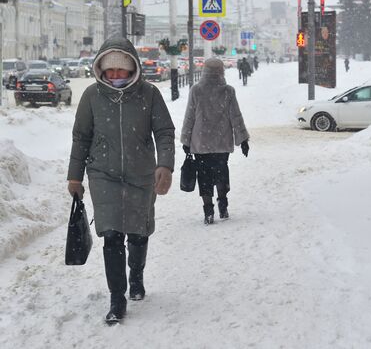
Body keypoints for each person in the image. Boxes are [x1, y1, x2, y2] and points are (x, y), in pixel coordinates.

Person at [67, 37, 175, 325]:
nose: (115, 75)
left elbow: (164, 131)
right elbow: (81, 137)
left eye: (121, 70)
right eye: (110, 70)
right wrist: (74, 176)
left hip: (141, 174)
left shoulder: (149, 94)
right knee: (112, 234)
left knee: (139, 232)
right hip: (103, 174)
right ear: (101, 69)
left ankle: (136, 275)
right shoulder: (92, 96)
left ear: (132, 69)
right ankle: (117, 297)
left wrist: (165, 165)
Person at [180, 58, 249, 225]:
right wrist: (243, 139)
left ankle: (208, 210)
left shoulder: (196, 90)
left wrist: (186, 140)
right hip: (221, 141)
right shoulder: (228, 91)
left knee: (204, 176)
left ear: (204, 71)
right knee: (221, 172)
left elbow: (189, 117)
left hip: (201, 142)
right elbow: (236, 116)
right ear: (221, 72)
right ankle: (223, 204)